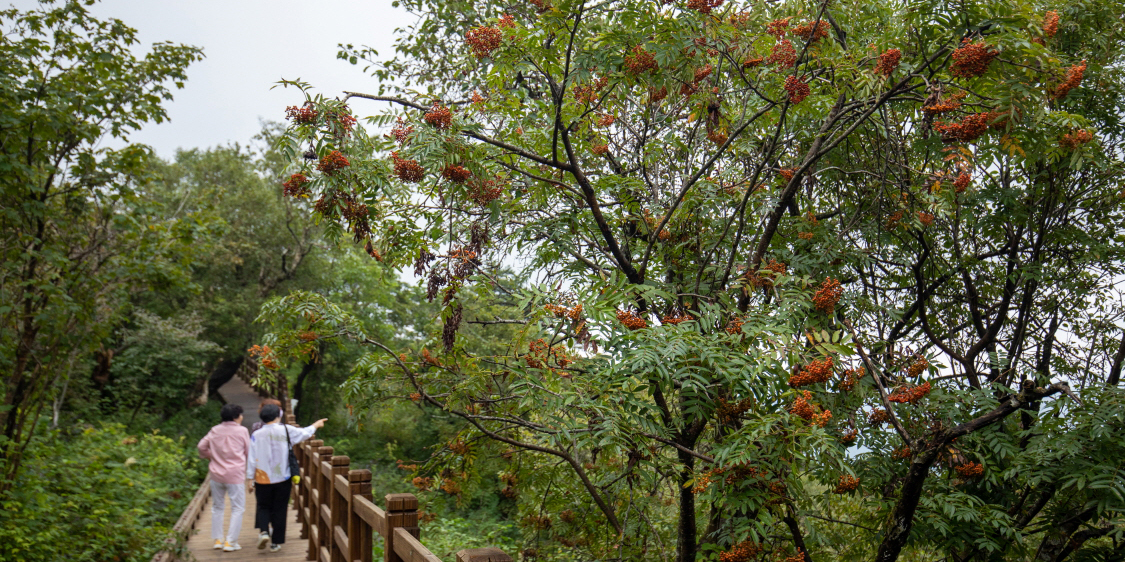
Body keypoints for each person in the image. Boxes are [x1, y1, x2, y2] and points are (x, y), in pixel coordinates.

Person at [246, 403, 326, 552]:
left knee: (263, 506)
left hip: (262, 478)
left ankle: (264, 531)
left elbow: (252, 458)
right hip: (283, 478)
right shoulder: (285, 430)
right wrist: (316, 425)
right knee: (279, 509)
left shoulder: (256, 435)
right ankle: (275, 542)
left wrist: (250, 479)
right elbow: (304, 433)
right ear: (278, 416)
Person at [197, 403, 251, 552]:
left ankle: (218, 540)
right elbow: (248, 451)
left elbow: (201, 447)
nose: (241, 417)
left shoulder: (215, 430)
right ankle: (230, 542)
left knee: (217, 507)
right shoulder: (242, 431)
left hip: (216, 474)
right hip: (235, 474)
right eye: (240, 415)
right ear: (235, 417)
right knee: (238, 508)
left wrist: (211, 456)